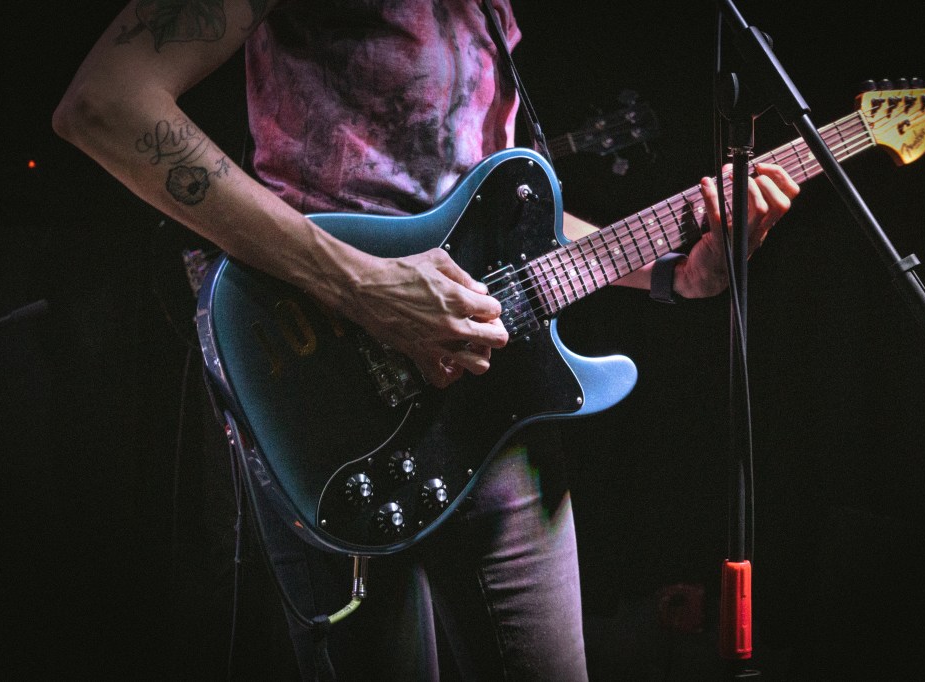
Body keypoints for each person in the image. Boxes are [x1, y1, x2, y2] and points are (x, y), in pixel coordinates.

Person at [53, 1, 799, 679]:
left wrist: (674, 275)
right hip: (329, 390)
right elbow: (106, 104)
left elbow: (499, 224)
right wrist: (367, 288)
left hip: (497, 403)